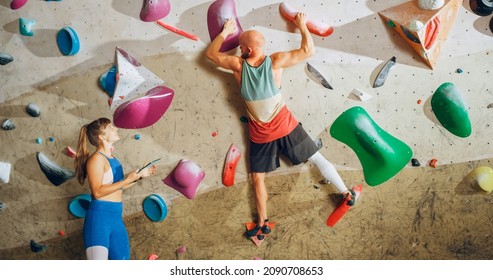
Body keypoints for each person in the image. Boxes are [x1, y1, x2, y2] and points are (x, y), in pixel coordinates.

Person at [206, 13, 355, 238]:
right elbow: (308, 51)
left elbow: (210, 54)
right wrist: (302, 26)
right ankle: (346, 193)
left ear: (246, 50)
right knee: (315, 157)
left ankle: (262, 223)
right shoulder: (275, 62)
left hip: (261, 134)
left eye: (240, 48)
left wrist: (224, 33)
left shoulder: (238, 65)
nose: (239, 51)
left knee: (258, 177)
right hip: (285, 126)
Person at [74, 117, 157, 260]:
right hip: (99, 219)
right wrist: (127, 179)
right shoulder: (96, 160)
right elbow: (98, 192)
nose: (116, 128)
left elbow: (119, 188)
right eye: (111, 127)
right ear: (101, 136)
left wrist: (140, 176)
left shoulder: (114, 158)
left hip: (116, 217)